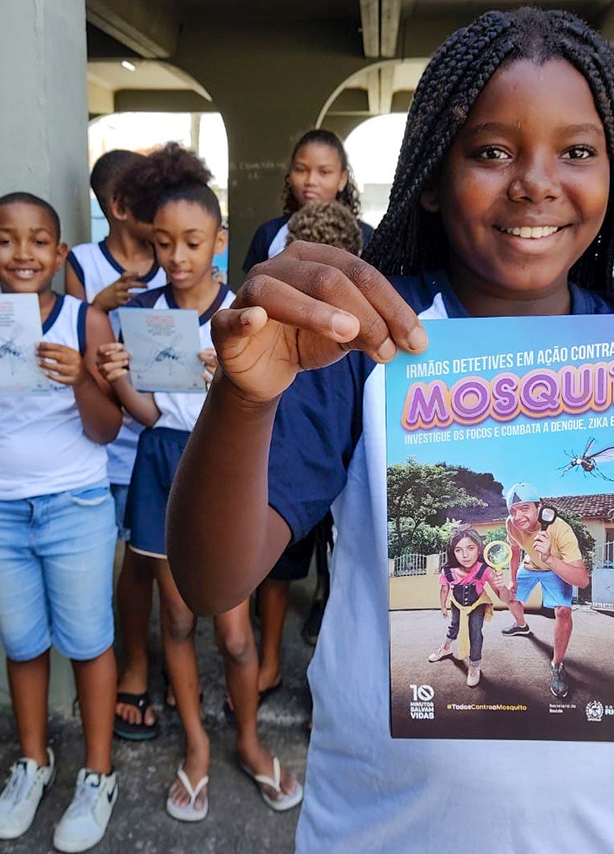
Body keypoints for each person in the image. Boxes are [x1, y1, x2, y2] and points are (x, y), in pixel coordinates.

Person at [167, 9, 614, 853]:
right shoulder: (359, 344)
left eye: (577, 152)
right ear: (433, 177)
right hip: (382, 829)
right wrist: (245, 401)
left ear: (613, 170)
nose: (536, 182)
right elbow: (211, 576)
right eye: (491, 150)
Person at [95, 143, 303, 822]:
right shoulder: (144, 312)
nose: (177, 257)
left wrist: (232, 385)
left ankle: (247, 739)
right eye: (163, 243)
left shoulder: (246, 308)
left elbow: (276, 396)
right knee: (177, 620)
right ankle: (196, 748)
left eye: (191, 242)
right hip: (160, 460)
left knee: (235, 634)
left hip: (223, 461)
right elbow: (151, 414)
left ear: (218, 240)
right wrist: (118, 374)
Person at [0, 192, 123, 852]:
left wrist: (80, 378)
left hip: (74, 504)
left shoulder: (87, 322)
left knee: (88, 640)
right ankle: (33, 762)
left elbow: (106, 430)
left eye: (39, 240)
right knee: (23, 642)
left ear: (60, 253)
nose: (24, 253)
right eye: (7, 240)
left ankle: (98, 772)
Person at [65, 149, 170, 742]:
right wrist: (96, 309)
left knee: (148, 559)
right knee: (105, 560)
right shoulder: (83, 262)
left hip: (155, 432)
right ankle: (122, 664)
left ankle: (147, 661)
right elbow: (68, 331)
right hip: (104, 436)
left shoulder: (171, 260)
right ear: (118, 206)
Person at [252, 200, 361, 705]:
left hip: (332, 481)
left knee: (333, 575)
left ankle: (310, 681)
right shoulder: (270, 324)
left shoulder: (365, 342)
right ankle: (271, 660)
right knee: (279, 569)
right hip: (287, 469)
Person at [495, 483, 587, 699]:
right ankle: (522, 626)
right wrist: (513, 578)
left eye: (525, 508)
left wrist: (548, 557)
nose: (518, 516)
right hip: (529, 567)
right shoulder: (511, 524)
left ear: (540, 507)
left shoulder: (560, 529)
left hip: (554, 567)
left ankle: (557, 664)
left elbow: (582, 580)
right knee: (511, 598)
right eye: (513, 510)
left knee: (563, 611)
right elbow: (516, 549)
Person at [242, 129, 373, 270]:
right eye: (301, 169)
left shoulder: (365, 237)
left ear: (342, 179)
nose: (311, 181)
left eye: (324, 172)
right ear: (289, 174)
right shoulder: (269, 234)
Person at [428, 525, 508, 687]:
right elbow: (444, 590)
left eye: (470, 548)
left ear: (479, 549)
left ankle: (474, 665)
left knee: (475, 630)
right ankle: (446, 648)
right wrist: (443, 607)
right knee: (454, 625)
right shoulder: (448, 572)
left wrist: (502, 587)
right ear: (453, 552)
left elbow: (505, 598)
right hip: (457, 603)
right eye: (458, 550)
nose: (465, 555)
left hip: (478, 602)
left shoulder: (485, 570)